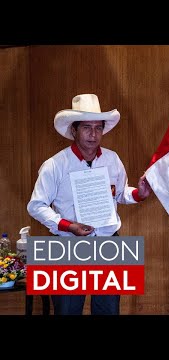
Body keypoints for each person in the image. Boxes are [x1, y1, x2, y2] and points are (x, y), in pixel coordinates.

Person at [27, 93, 152, 315]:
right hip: (66, 245)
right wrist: (68, 225)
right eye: (86, 127)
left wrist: (139, 194)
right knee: (67, 311)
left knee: (109, 310)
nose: (93, 134)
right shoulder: (55, 165)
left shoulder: (112, 159)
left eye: (98, 128)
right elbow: (35, 205)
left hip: (108, 244)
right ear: (73, 130)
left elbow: (122, 193)